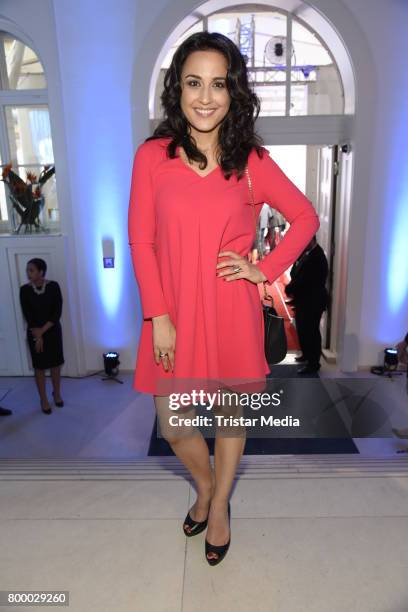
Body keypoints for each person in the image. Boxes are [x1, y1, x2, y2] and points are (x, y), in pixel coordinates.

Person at [128, 31, 320, 565]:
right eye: (194, 83)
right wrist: (158, 316)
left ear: (234, 92)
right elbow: (141, 241)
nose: (205, 96)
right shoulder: (152, 157)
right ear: (178, 90)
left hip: (230, 308)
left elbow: (306, 216)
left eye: (218, 84)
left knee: (231, 418)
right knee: (174, 425)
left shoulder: (250, 160)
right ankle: (209, 486)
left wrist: (262, 271)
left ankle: (217, 508)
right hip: (170, 313)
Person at [19, 258, 65, 414]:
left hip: (52, 331)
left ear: (41, 271)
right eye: (28, 270)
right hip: (34, 332)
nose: (28, 273)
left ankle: (57, 394)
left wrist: (42, 332)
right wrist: (37, 335)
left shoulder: (53, 286)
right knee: (39, 367)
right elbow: (28, 315)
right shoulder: (24, 290)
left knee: (55, 365)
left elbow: (57, 312)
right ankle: (44, 399)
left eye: (31, 270)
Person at [284, 236, 329, 374]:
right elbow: (295, 271)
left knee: (311, 332)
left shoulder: (317, 256)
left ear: (311, 240)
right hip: (304, 300)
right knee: (303, 330)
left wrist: (290, 289)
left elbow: (306, 280)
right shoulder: (306, 253)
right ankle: (306, 355)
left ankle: (313, 363)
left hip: (313, 301)